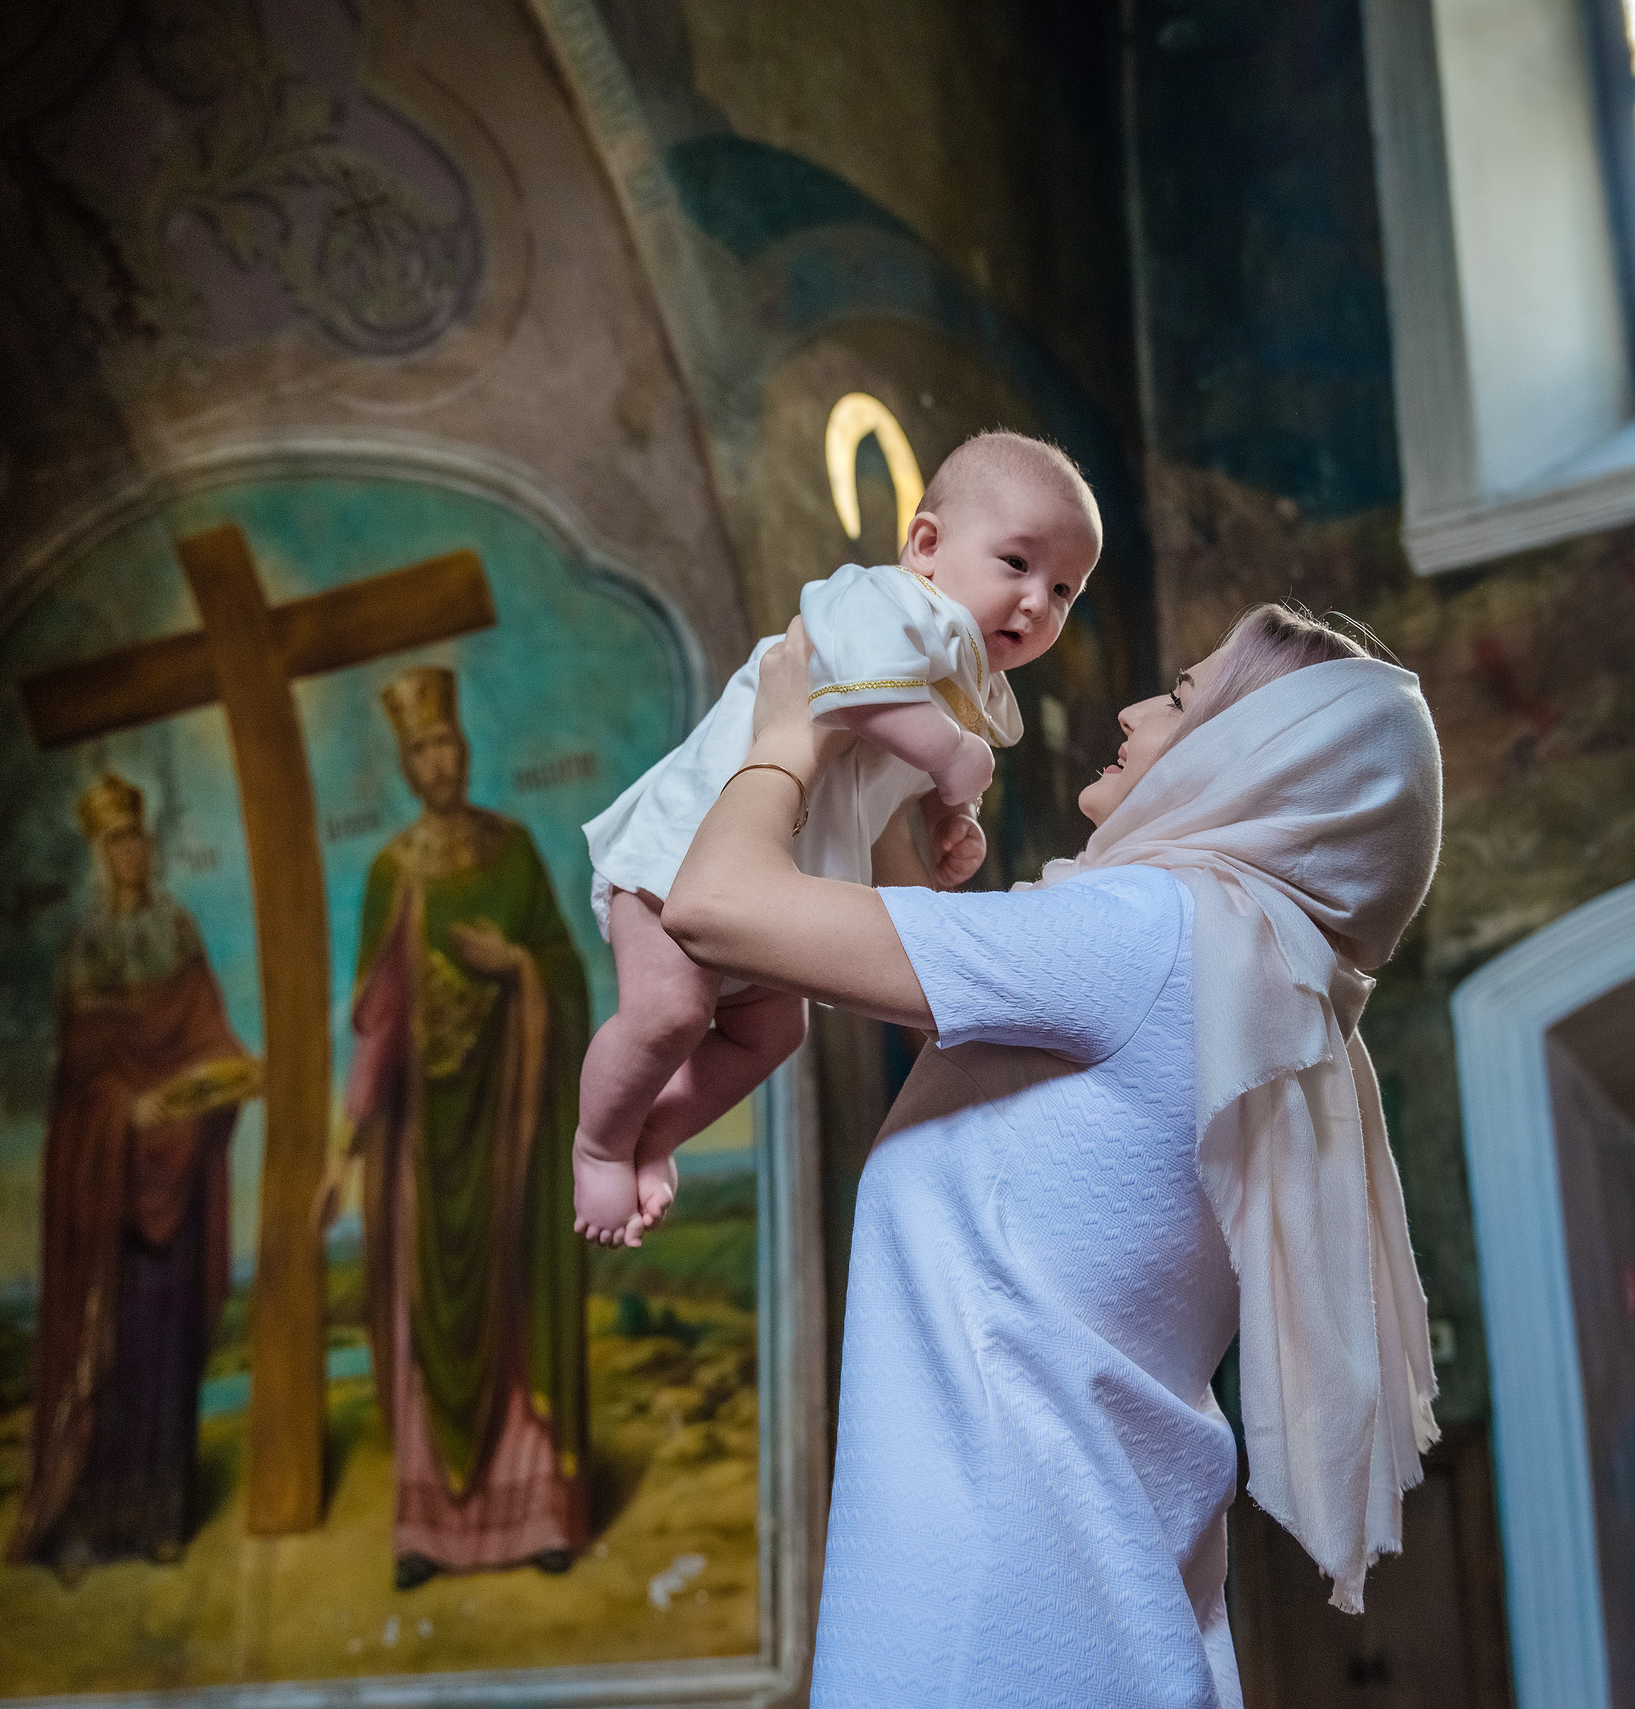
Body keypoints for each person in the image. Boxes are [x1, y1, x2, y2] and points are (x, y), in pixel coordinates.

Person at [665, 603, 1445, 1706]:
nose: (1134, 711)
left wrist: (786, 735)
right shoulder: (1254, 982)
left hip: (994, 1607)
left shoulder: (1150, 929)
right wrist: (894, 809)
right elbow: (971, 1081)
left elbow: (713, 905)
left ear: (1250, 753)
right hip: (1082, 1605)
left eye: (1181, 697)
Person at [576, 430, 1103, 1245]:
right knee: (671, 1015)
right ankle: (601, 1145)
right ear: (926, 545)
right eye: (1017, 563)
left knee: (773, 1034)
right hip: (677, 859)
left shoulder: (968, 682)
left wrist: (948, 820)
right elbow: (857, 694)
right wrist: (952, 756)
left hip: (768, 890)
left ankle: (657, 1131)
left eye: (1064, 589)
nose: (1038, 602)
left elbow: (895, 776)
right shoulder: (886, 602)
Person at [328, 666, 594, 1591]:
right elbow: (378, 1026)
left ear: (464, 748)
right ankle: (427, 1531)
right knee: (422, 1313)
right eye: (420, 749)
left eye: (446, 741)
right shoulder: (393, 875)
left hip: (510, 1127)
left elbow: (564, 971)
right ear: (406, 766)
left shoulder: (513, 852)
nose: (438, 760)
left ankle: (538, 1511)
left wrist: (517, 963)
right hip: (422, 1139)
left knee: (515, 1296)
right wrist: (340, 1152)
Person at [10, 772, 261, 1582]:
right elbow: (81, 1080)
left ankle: (161, 1512)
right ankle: (98, 1511)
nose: (131, 851)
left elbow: (207, 1031)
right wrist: (129, 1111)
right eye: (115, 839)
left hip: (177, 1178)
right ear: (99, 852)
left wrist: (226, 1073)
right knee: (113, 1350)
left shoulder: (176, 928)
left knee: (169, 1339)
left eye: (137, 836)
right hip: (115, 1185)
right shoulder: (86, 950)